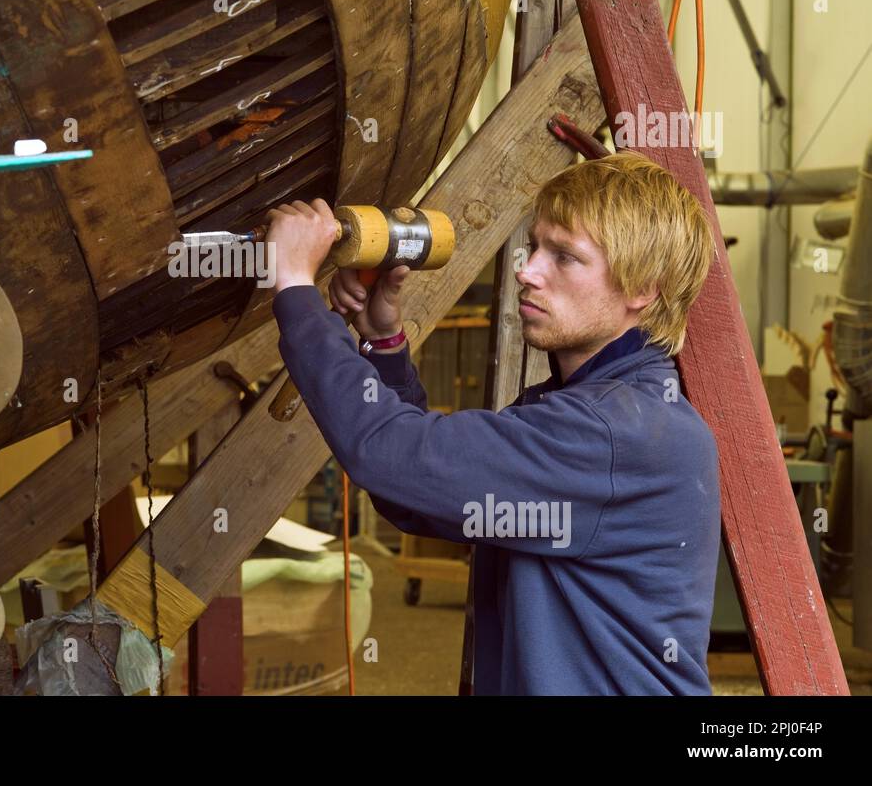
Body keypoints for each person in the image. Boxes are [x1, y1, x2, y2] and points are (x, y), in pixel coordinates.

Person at [263, 152, 719, 695]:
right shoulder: (591, 410)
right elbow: (416, 496)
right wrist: (382, 344)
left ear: (643, 288)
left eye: (565, 257)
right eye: (537, 245)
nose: (528, 270)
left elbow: (391, 455)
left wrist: (294, 286)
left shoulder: (612, 432)